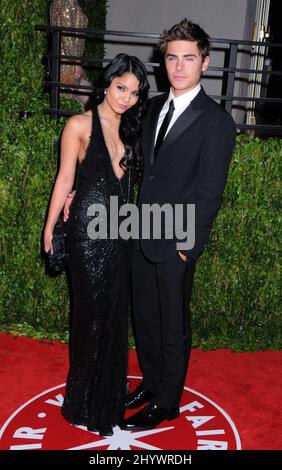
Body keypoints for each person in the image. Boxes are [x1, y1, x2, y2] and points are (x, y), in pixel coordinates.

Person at [120, 18, 236, 431]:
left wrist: (189, 245)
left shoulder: (217, 122)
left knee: (172, 322)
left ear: (204, 63)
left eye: (189, 58)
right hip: (141, 231)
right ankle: (152, 384)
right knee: (146, 317)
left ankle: (168, 401)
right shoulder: (151, 109)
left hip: (177, 240)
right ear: (163, 62)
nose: (180, 66)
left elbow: (210, 192)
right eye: (173, 58)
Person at [43, 53, 149, 436]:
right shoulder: (78, 124)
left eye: (135, 93)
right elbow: (64, 178)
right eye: (121, 88)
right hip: (87, 234)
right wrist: (50, 225)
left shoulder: (132, 129)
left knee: (116, 315)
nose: (126, 98)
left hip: (121, 233)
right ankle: (80, 402)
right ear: (107, 83)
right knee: (90, 317)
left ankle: (106, 398)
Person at [49, 0, 92, 107]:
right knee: (86, 103)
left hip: (68, 61)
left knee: (88, 103)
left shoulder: (70, 2)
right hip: (66, 64)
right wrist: (75, 61)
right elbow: (66, 36)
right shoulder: (64, 2)